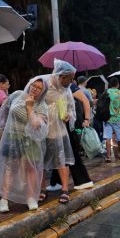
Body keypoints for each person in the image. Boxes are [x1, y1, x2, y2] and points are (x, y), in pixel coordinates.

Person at [0, 76, 49, 212]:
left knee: (31, 169)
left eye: (40, 88)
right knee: (10, 168)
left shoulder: (42, 105)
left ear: (43, 92)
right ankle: (4, 199)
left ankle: (30, 197)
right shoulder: (17, 95)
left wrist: (29, 107)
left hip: (30, 140)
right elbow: (4, 109)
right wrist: (0, 125)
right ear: (30, 83)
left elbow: (35, 124)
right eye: (34, 85)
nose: (35, 89)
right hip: (13, 137)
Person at [41, 59, 77, 204]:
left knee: (61, 159)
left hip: (59, 131)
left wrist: (69, 116)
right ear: (62, 76)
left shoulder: (66, 90)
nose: (71, 81)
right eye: (70, 78)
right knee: (40, 160)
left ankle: (65, 189)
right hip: (42, 129)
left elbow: (71, 108)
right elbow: (32, 101)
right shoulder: (44, 83)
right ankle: (42, 189)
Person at [47, 79, 94, 191]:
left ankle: (83, 180)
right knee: (60, 151)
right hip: (59, 124)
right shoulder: (57, 87)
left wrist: (87, 119)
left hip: (70, 123)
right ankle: (56, 181)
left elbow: (85, 101)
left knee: (71, 151)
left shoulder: (71, 87)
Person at [104, 77, 120, 162]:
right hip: (117, 118)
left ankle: (108, 156)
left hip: (107, 118)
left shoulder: (106, 92)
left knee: (108, 137)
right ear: (118, 84)